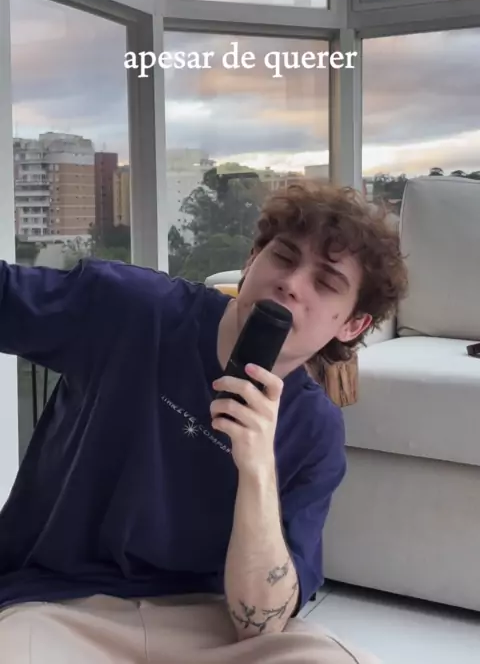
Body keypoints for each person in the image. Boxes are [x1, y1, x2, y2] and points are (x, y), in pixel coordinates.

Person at [0, 182, 407, 663]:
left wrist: (257, 470)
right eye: (283, 257)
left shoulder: (316, 430)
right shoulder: (132, 309)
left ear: (353, 325)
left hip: (215, 626)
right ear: (252, 260)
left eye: (326, 283)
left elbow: (263, 621)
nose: (292, 284)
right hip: (58, 608)